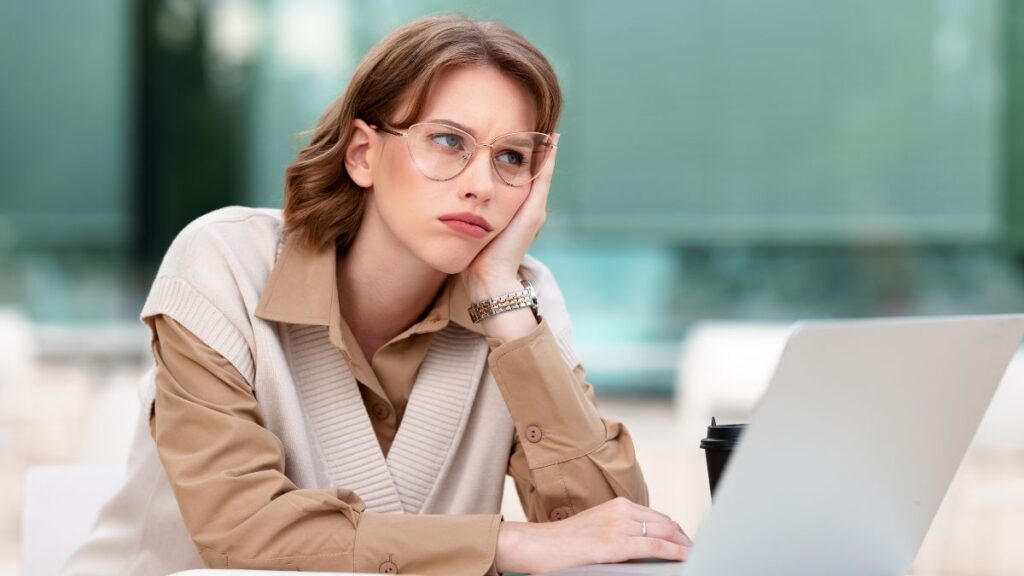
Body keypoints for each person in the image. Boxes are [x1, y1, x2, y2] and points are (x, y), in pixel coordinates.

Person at [62, 14, 692, 576]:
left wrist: (502, 297)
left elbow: (613, 534)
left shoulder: (521, 303)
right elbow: (240, 525)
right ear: (363, 154)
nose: (481, 185)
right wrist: (504, 546)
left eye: (510, 158)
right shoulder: (223, 263)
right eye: (448, 141)